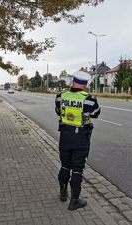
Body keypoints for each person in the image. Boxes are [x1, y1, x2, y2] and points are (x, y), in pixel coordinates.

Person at [55, 71, 101, 210]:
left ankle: (63, 193)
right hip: (81, 139)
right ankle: (74, 201)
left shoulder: (60, 96)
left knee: (64, 166)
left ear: (73, 81)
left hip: (65, 136)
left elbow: (58, 111)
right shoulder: (89, 99)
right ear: (85, 84)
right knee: (77, 170)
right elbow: (96, 113)